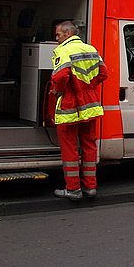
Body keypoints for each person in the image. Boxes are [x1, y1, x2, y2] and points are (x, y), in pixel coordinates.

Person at [48, 21, 108, 202]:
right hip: (90, 104)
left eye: (58, 35)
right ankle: (90, 187)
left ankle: (73, 189)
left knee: (69, 147)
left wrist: (57, 91)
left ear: (67, 33)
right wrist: (88, 87)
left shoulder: (63, 51)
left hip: (70, 104)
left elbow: (60, 76)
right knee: (89, 146)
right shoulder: (91, 49)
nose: (56, 38)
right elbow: (104, 73)